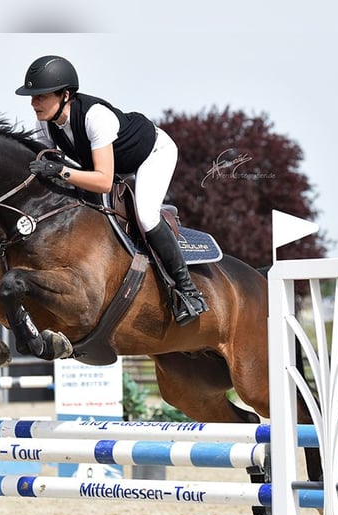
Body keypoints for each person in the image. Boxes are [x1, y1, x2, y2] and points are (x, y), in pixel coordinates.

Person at [15, 55, 208, 326]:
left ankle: (189, 292)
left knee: (146, 215)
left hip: (152, 154)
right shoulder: (45, 125)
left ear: (66, 95)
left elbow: (103, 181)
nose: (33, 102)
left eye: (40, 96)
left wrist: (61, 171)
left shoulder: (96, 117)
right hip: (113, 165)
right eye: (32, 96)